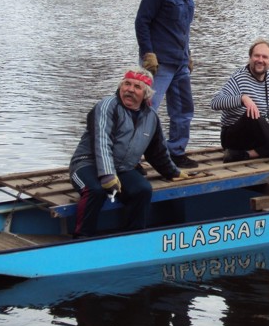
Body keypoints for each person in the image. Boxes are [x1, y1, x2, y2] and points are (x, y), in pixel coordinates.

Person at [69, 68, 185, 237]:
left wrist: (173, 172)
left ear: (146, 95)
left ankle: (133, 237)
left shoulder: (151, 117)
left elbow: (157, 151)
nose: (130, 89)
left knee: (142, 190)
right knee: (96, 190)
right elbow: (102, 141)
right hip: (87, 163)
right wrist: (108, 175)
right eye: (127, 84)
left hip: (121, 168)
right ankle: (82, 237)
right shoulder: (107, 106)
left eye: (137, 87)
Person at [135, 0, 199, 169]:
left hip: (180, 62)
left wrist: (188, 54)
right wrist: (147, 54)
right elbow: (142, 22)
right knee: (146, 109)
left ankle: (175, 152)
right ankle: (132, 158)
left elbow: (183, 29)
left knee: (183, 109)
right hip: (159, 64)